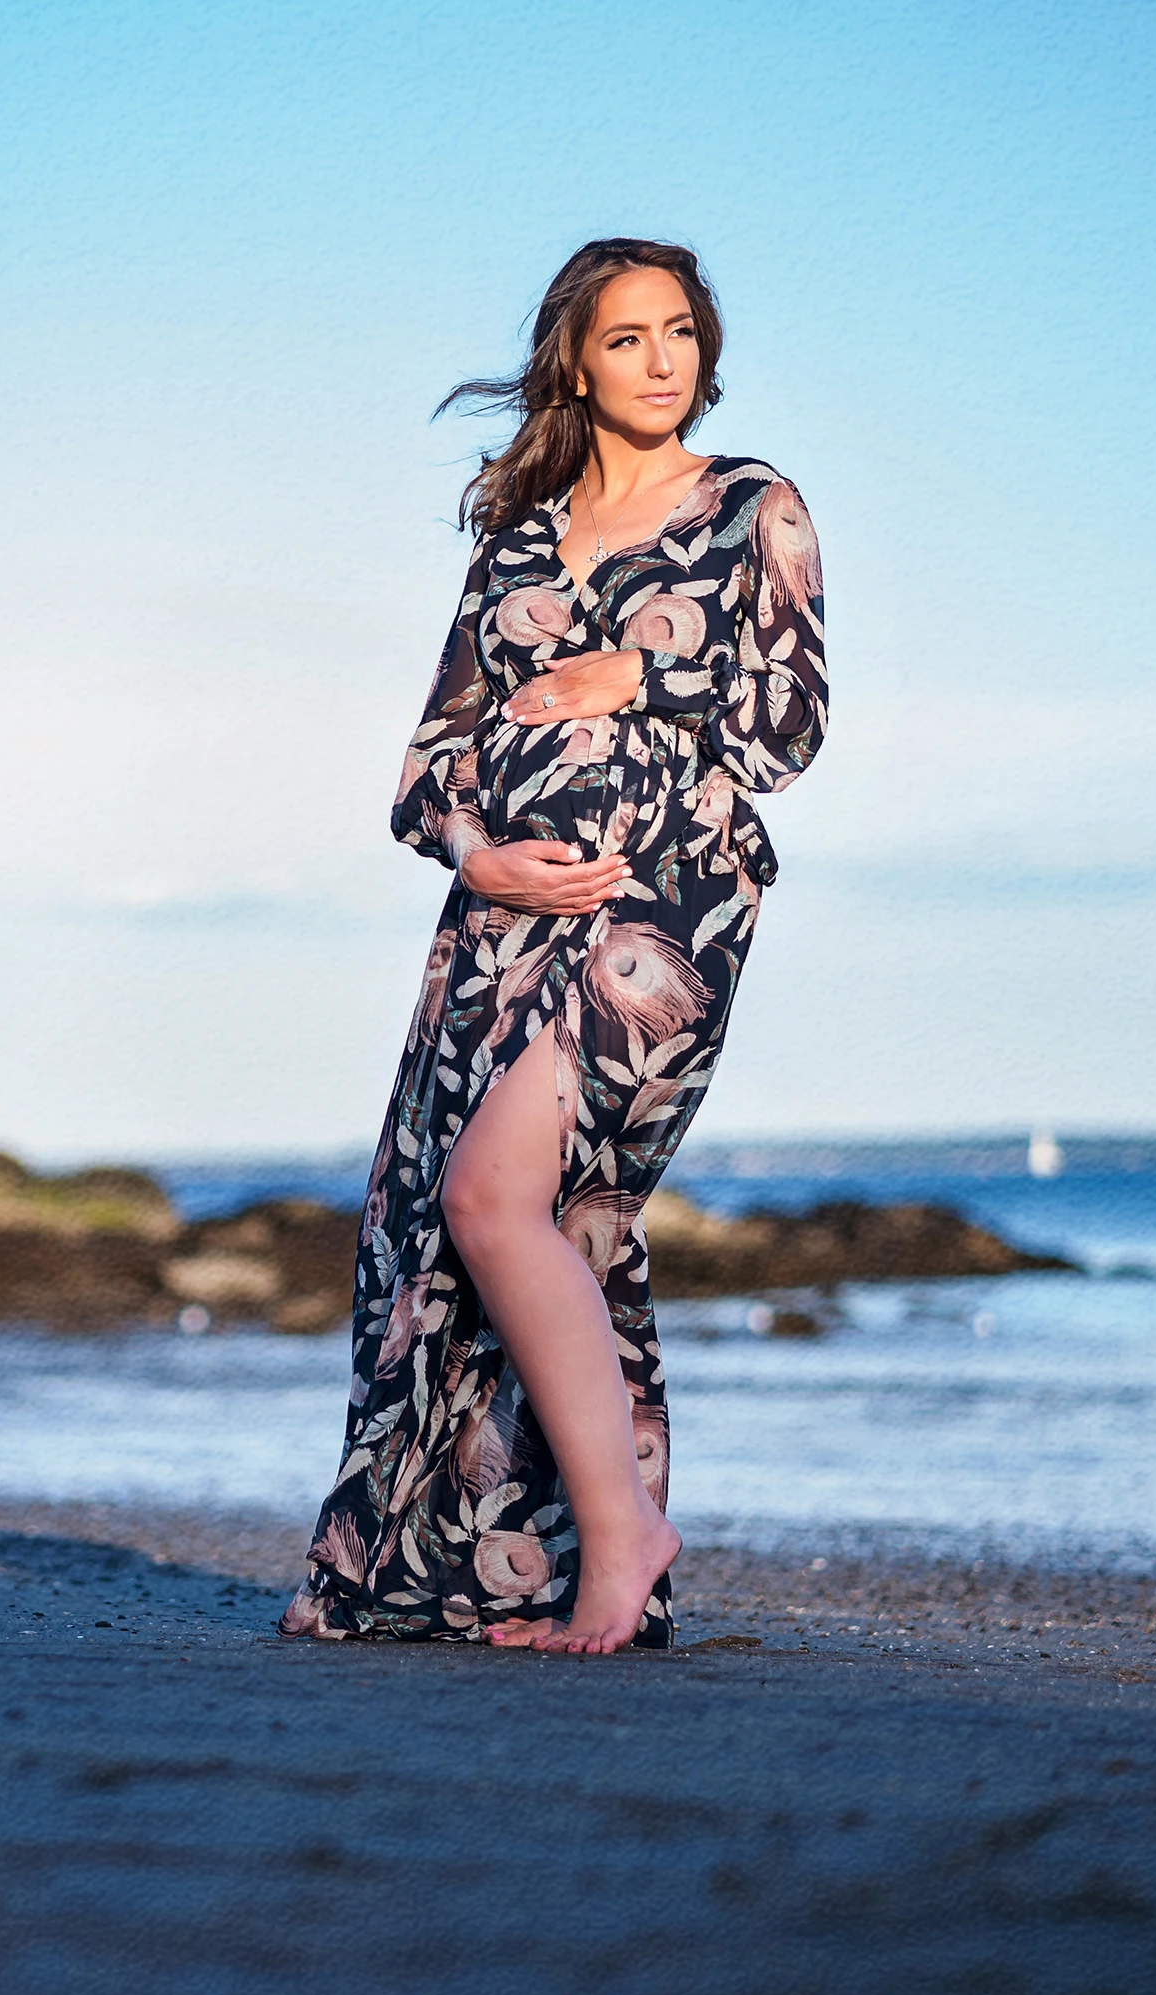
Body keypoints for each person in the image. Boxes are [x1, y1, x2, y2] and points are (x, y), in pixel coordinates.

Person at [280, 238, 828, 1654]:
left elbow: (790, 728)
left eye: (682, 335)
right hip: (497, 931)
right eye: (631, 339)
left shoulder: (752, 508)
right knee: (526, 1229)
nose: (664, 362)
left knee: (490, 1196)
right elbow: (429, 766)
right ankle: (532, 1562)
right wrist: (481, 852)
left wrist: (639, 670)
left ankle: (627, 1534)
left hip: (671, 904)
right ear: (574, 363)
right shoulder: (516, 543)